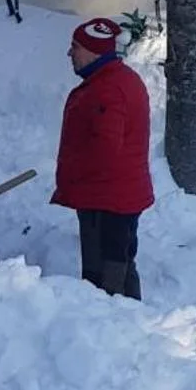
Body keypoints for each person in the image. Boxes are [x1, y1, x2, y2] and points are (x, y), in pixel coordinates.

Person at [53, 17, 154, 298]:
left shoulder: (106, 90)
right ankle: (129, 319)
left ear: (93, 50)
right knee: (121, 262)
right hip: (114, 196)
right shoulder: (118, 79)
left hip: (105, 200)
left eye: (75, 47)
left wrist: (76, 179)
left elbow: (106, 149)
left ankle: (114, 328)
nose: (70, 53)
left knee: (104, 278)